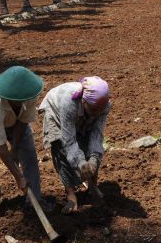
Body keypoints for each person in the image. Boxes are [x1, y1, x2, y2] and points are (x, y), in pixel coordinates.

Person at [0, 66, 45, 220]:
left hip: (16, 122)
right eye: (16, 100)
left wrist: (15, 149)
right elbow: (0, 146)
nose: (20, 102)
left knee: (29, 154)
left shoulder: (31, 94)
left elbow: (23, 121)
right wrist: (19, 177)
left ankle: (34, 200)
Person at [40, 77, 111, 214]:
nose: (97, 114)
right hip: (56, 113)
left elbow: (96, 135)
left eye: (99, 111)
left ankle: (92, 187)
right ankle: (71, 196)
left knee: (87, 145)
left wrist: (93, 160)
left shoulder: (104, 106)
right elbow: (69, 140)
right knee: (60, 149)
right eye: (93, 110)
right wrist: (81, 162)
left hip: (81, 113)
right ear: (84, 101)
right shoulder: (69, 103)